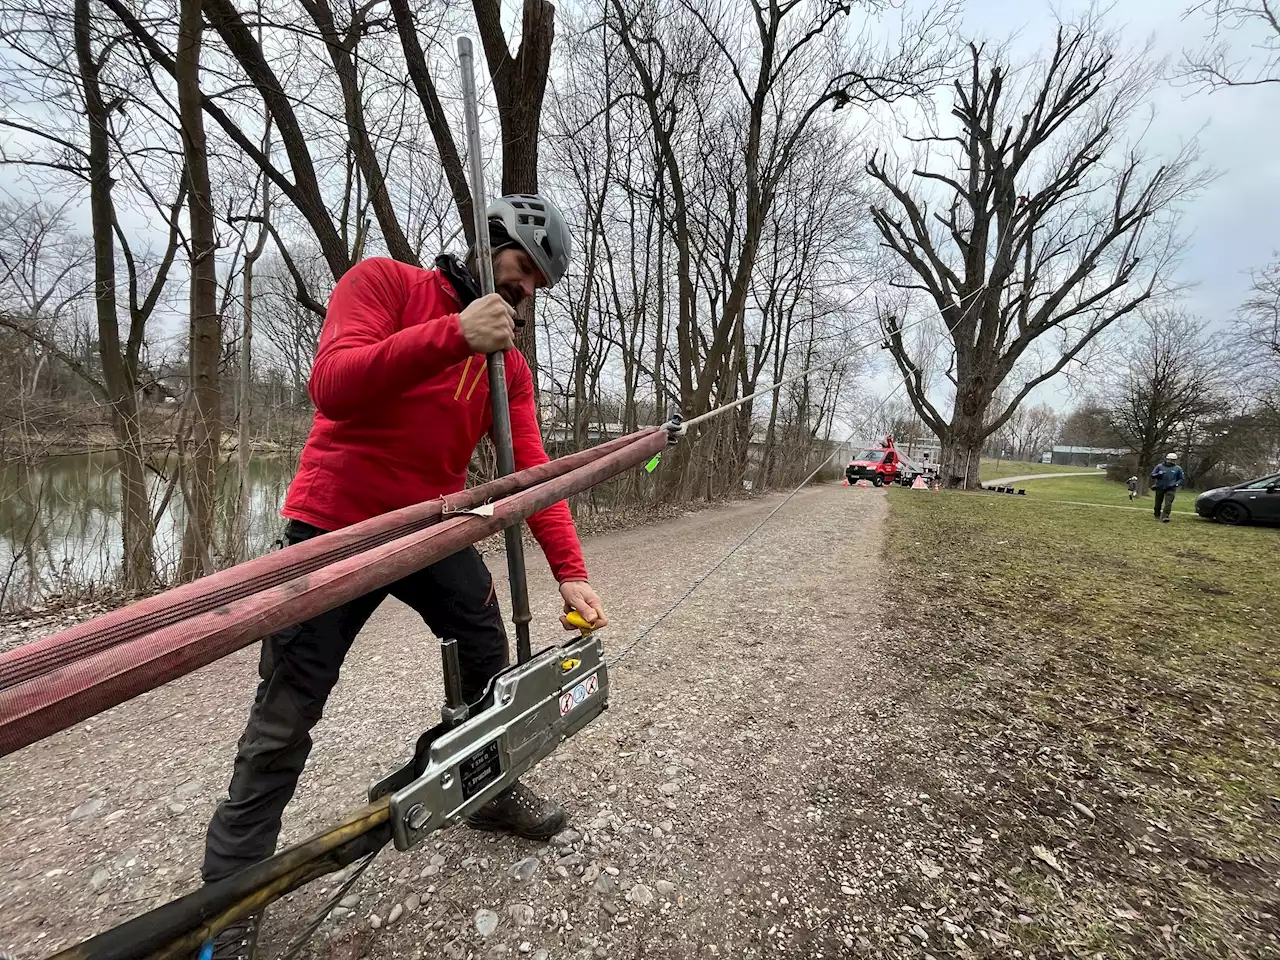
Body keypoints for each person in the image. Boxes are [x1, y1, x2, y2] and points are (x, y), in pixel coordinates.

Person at [199, 194, 605, 960]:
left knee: (490, 656)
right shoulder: (383, 284)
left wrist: (569, 575)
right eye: (519, 274)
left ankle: (486, 786)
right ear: (485, 248)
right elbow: (334, 384)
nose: (522, 297)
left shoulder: (506, 368)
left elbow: (529, 473)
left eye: (535, 291)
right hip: (335, 524)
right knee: (287, 711)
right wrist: (451, 336)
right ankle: (229, 901)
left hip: (429, 526)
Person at [1150, 453, 1185, 522]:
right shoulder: (1159, 466)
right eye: (1170, 460)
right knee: (1158, 503)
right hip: (1159, 487)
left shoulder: (1178, 468)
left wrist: (1176, 484)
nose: (1171, 461)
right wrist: (1158, 474)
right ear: (1167, 459)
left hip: (1171, 488)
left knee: (1168, 503)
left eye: (1173, 460)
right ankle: (1157, 514)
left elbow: (1181, 479)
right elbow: (1152, 475)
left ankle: (1165, 516)